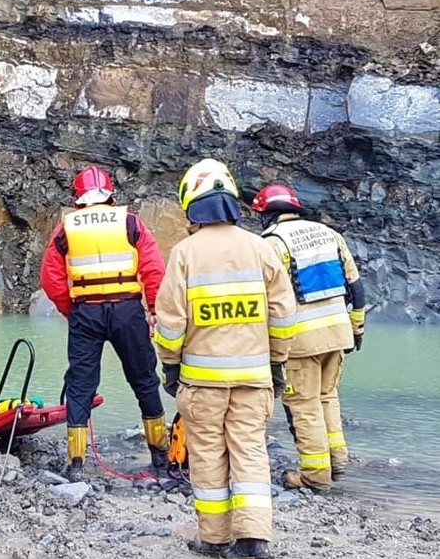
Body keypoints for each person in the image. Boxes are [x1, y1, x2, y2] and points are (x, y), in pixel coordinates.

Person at [154, 159, 297, 559]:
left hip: (202, 384)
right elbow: (284, 317)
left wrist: (169, 365)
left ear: (192, 204)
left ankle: (214, 540)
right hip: (254, 381)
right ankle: (253, 540)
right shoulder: (261, 249)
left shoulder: (185, 253)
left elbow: (169, 323)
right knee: (251, 452)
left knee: (207, 456)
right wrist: (276, 364)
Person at [40, 165, 169, 480]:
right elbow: (154, 269)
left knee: (81, 384)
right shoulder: (129, 222)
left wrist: (71, 309)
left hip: (86, 311)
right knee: (144, 380)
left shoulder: (66, 228)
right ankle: (160, 458)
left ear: (78, 197)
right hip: (127, 311)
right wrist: (153, 308)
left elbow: (50, 278)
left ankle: (77, 463)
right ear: (110, 194)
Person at [251, 184, 366, 490]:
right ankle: (337, 460)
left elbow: (270, 298)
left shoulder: (271, 243)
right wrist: (357, 327)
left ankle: (315, 475)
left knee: (304, 405)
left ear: (267, 215)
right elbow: (355, 287)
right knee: (327, 397)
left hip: (301, 341)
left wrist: (268, 343)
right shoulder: (329, 234)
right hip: (338, 332)